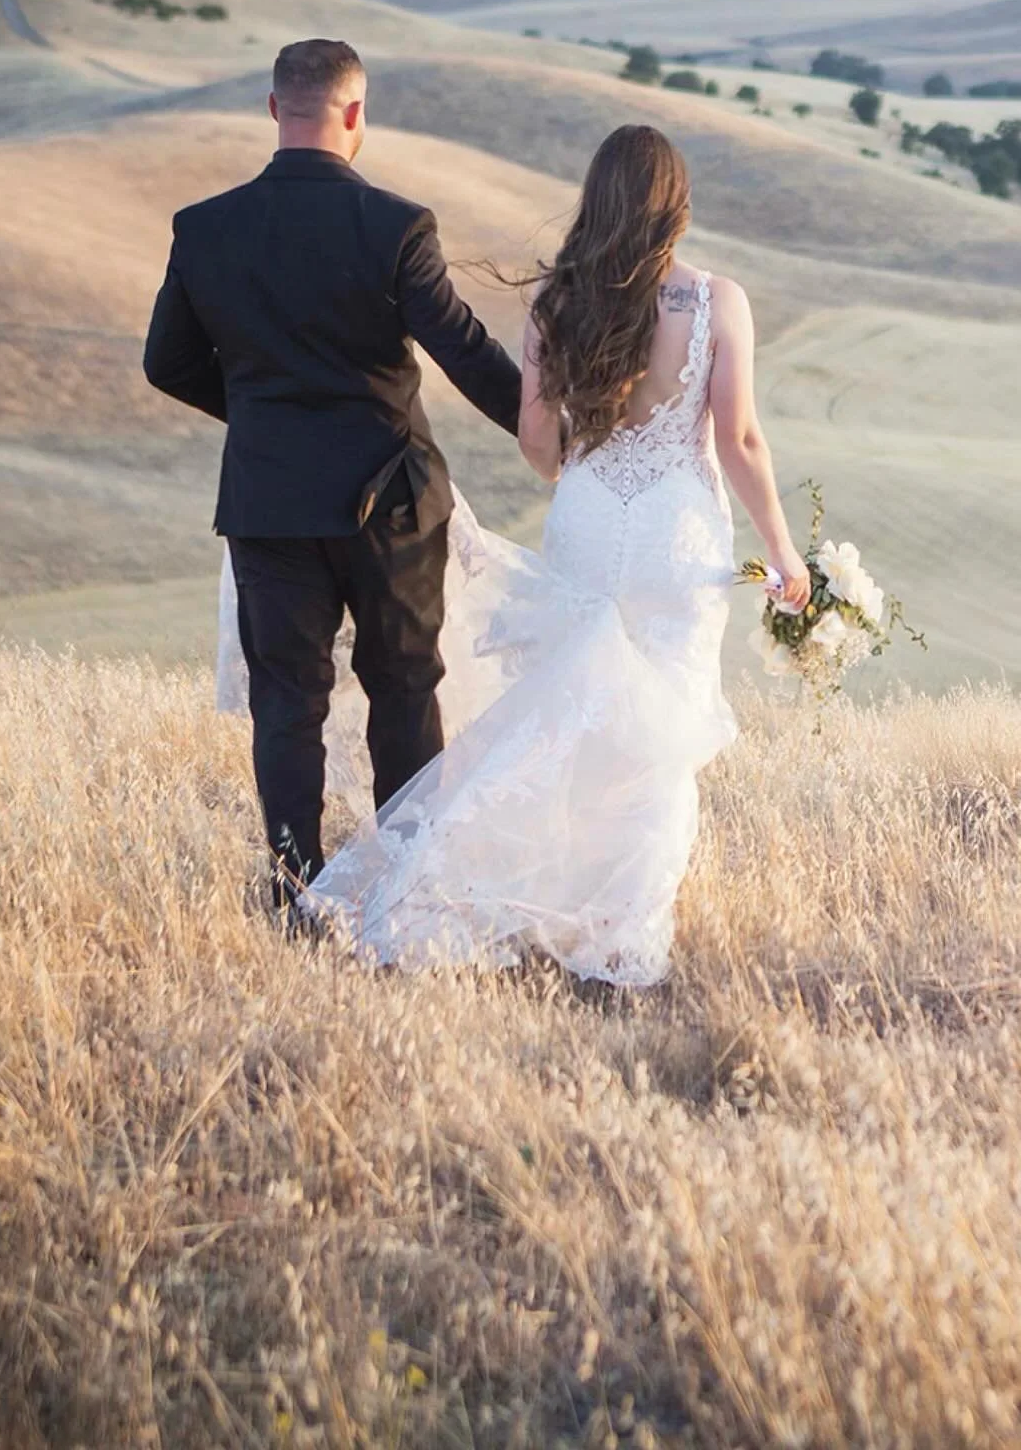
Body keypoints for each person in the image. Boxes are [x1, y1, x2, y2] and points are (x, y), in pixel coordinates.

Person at [296, 124, 811, 984]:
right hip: (676, 537)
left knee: (574, 719)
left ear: (596, 197)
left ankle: (521, 899)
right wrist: (783, 553)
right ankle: (619, 938)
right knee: (660, 735)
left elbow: (538, 441)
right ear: (676, 206)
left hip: (586, 518)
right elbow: (741, 438)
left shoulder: (556, 305)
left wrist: (579, 474)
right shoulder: (717, 301)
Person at [143, 39, 522, 912]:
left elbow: (168, 364)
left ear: (274, 110)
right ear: (357, 115)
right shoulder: (396, 226)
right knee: (402, 690)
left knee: (287, 704)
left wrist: (271, 419)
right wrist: (559, 438)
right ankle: (405, 886)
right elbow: (465, 352)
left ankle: (291, 891)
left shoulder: (204, 227)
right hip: (389, 503)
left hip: (268, 503)